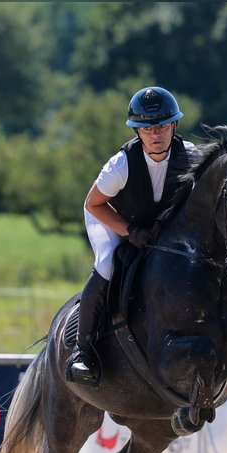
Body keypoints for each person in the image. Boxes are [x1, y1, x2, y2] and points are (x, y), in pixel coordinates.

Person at [66, 85, 195, 386]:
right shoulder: (121, 164)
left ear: (174, 125)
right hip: (112, 218)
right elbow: (93, 203)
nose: (155, 134)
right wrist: (128, 231)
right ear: (137, 132)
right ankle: (84, 351)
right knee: (109, 264)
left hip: (160, 230)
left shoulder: (191, 158)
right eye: (147, 128)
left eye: (162, 126)